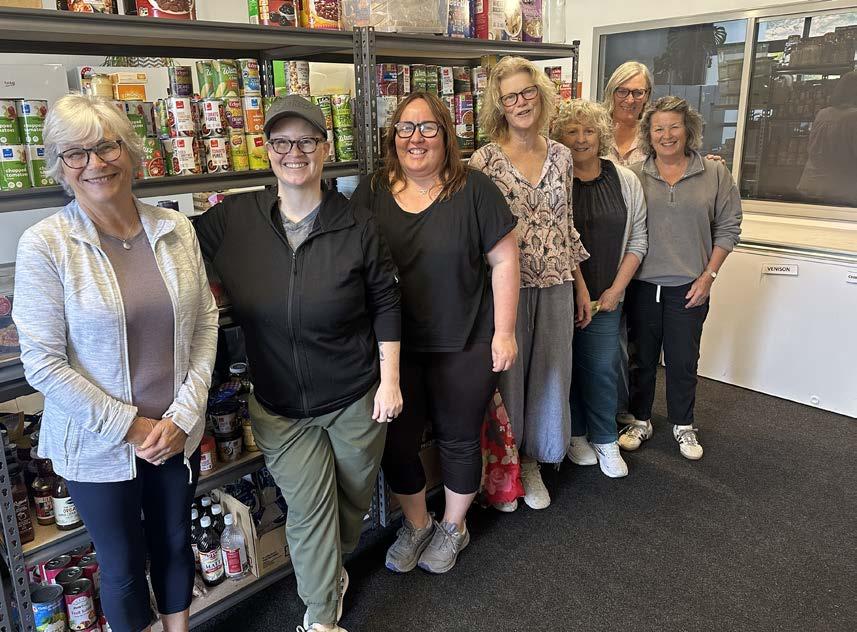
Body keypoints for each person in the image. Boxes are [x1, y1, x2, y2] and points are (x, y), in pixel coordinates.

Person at [194, 95, 402, 632]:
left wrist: (390, 382)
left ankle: (332, 571)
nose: (294, 152)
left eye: (306, 140)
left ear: (325, 149)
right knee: (310, 512)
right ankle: (321, 617)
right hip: (280, 407)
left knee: (351, 506)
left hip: (355, 397)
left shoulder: (357, 224)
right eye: (281, 142)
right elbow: (171, 241)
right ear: (266, 150)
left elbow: (386, 300)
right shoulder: (235, 218)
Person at [12, 94, 218, 632]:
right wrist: (132, 427)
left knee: (174, 542)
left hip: (175, 431)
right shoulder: (46, 245)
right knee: (123, 566)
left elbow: (205, 323)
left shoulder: (175, 229)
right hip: (96, 444)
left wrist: (184, 415)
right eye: (75, 154)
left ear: (131, 152)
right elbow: (43, 363)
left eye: (107, 147)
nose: (95, 164)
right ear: (60, 167)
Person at [352, 91, 519, 573]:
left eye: (428, 127)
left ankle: (453, 526)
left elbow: (505, 260)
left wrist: (504, 332)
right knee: (396, 442)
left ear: (446, 135)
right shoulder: (372, 191)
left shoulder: (475, 189)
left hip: (466, 339)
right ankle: (418, 523)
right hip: (393, 346)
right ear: (393, 137)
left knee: (458, 438)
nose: (416, 138)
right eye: (405, 128)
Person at [471, 56, 590, 510]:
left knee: (552, 376)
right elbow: (478, 238)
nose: (520, 103)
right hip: (508, 290)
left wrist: (580, 284)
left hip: (557, 281)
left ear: (540, 95)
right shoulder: (484, 161)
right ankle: (507, 468)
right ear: (498, 105)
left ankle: (535, 462)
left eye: (527, 92)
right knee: (510, 380)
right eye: (510, 97)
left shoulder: (561, 155)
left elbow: (567, 224)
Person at [621, 96, 742, 460]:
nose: (667, 135)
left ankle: (683, 424)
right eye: (658, 128)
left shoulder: (714, 173)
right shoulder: (634, 175)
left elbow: (729, 228)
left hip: (690, 286)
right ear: (648, 134)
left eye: (674, 126)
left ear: (688, 130)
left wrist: (709, 276)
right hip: (643, 284)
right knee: (641, 359)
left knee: (683, 360)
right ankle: (639, 420)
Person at [550, 99, 647, 478]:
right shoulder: (554, 180)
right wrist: (578, 288)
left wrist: (616, 290)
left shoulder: (625, 180)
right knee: (565, 368)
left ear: (601, 134)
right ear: (559, 138)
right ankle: (576, 435)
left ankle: (606, 439)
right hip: (561, 293)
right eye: (571, 131)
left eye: (589, 130)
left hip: (607, 297)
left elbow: (638, 240)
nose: (581, 138)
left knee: (603, 368)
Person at [797, 70, 857, 206]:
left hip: (811, 184)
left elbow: (811, 149)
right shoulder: (853, 117)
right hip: (840, 190)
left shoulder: (822, 114)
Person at [602, 60, 655, 167]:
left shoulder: (654, 136)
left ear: (647, 95)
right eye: (622, 91)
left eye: (638, 93)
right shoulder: (595, 131)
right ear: (611, 92)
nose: (630, 100)